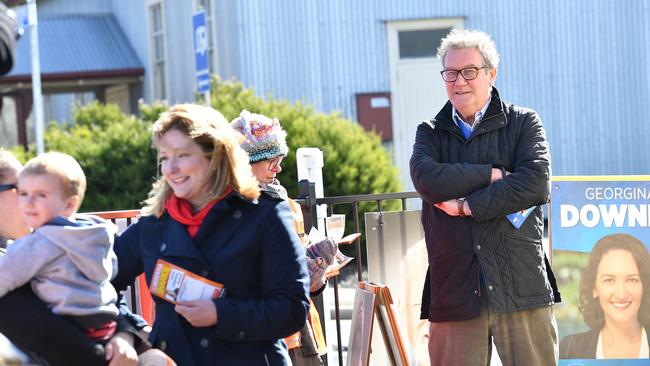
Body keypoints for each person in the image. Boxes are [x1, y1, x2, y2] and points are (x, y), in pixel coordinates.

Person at [108, 103, 310, 365]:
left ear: (215, 156)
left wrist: (220, 314)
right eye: (164, 157)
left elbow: (292, 310)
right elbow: (99, 285)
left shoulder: (265, 214)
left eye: (181, 155)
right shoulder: (154, 224)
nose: (170, 169)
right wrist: (128, 333)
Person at [409, 28, 561, 365]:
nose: (459, 81)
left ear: (491, 73)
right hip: (455, 291)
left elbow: (535, 183)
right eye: (450, 73)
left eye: (469, 71)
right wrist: (493, 174)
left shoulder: (523, 123)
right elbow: (427, 178)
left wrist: (467, 206)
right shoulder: (430, 132)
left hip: (521, 287)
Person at [231, 109, 336, 366]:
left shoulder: (286, 202)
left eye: (279, 158)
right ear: (245, 162)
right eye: (270, 160)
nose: (278, 167)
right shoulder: (231, 211)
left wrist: (317, 271)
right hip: (267, 335)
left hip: (301, 329)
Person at [0, 151, 120, 343]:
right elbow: (111, 271)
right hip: (104, 323)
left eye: (40, 195)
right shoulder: (93, 234)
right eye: (22, 192)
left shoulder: (39, 242)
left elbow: (4, 275)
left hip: (67, 327)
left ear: (69, 205)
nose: (28, 202)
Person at [560, 233, 650, 359]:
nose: (621, 294)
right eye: (609, 280)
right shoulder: (570, 348)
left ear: (644, 285)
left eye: (631, 280)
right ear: (594, 288)